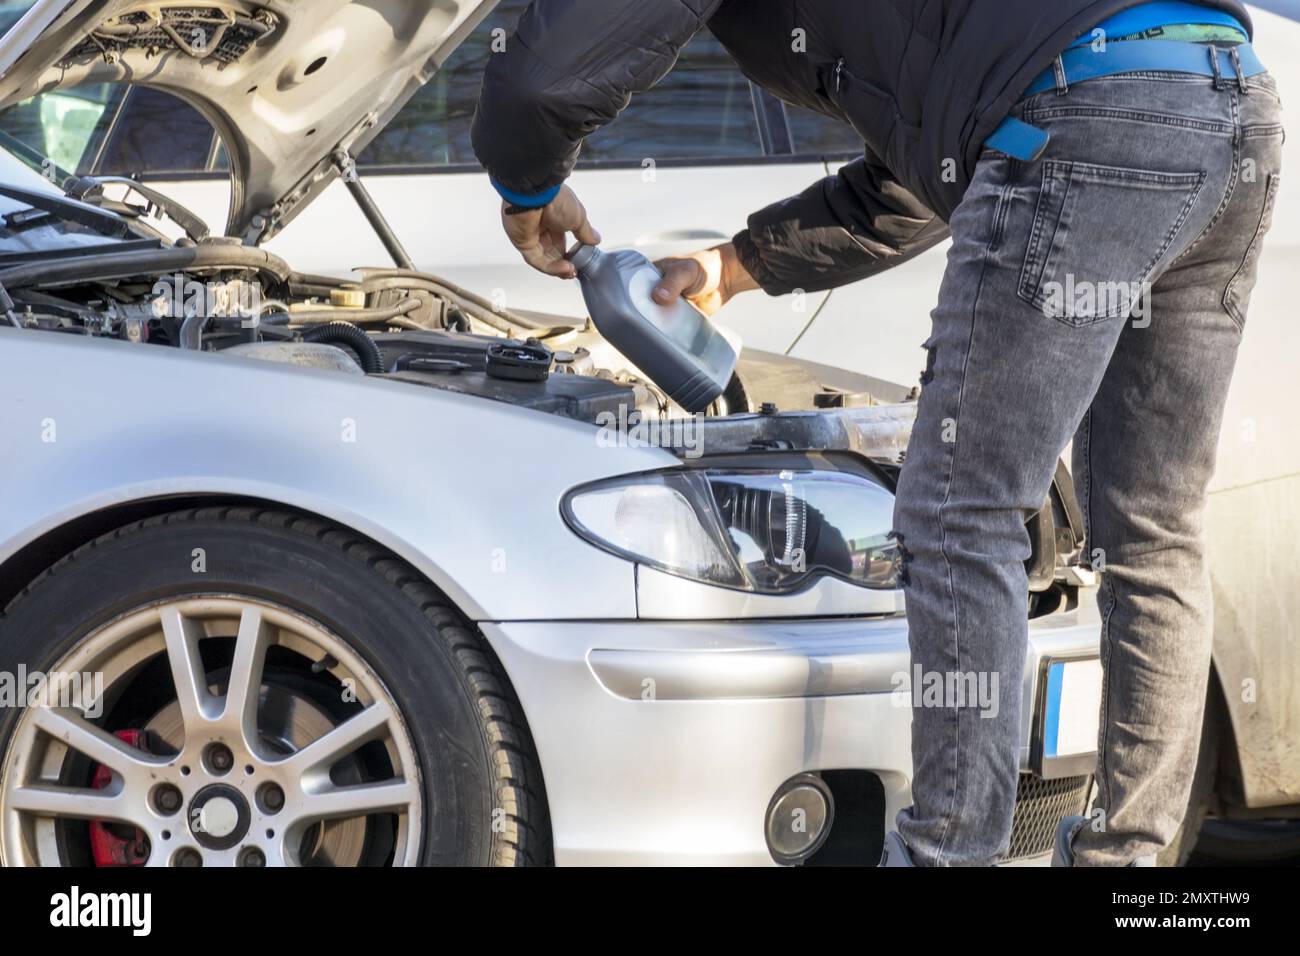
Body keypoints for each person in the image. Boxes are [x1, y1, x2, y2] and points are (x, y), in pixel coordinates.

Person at [470, 0, 1281, 866]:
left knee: (961, 515)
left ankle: (948, 853)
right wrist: (736, 266)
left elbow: (543, 80)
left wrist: (528, 185)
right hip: (1233, 102)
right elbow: (927, 168)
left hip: (1089, 113)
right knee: (1152, 531)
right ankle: (1128, 863)